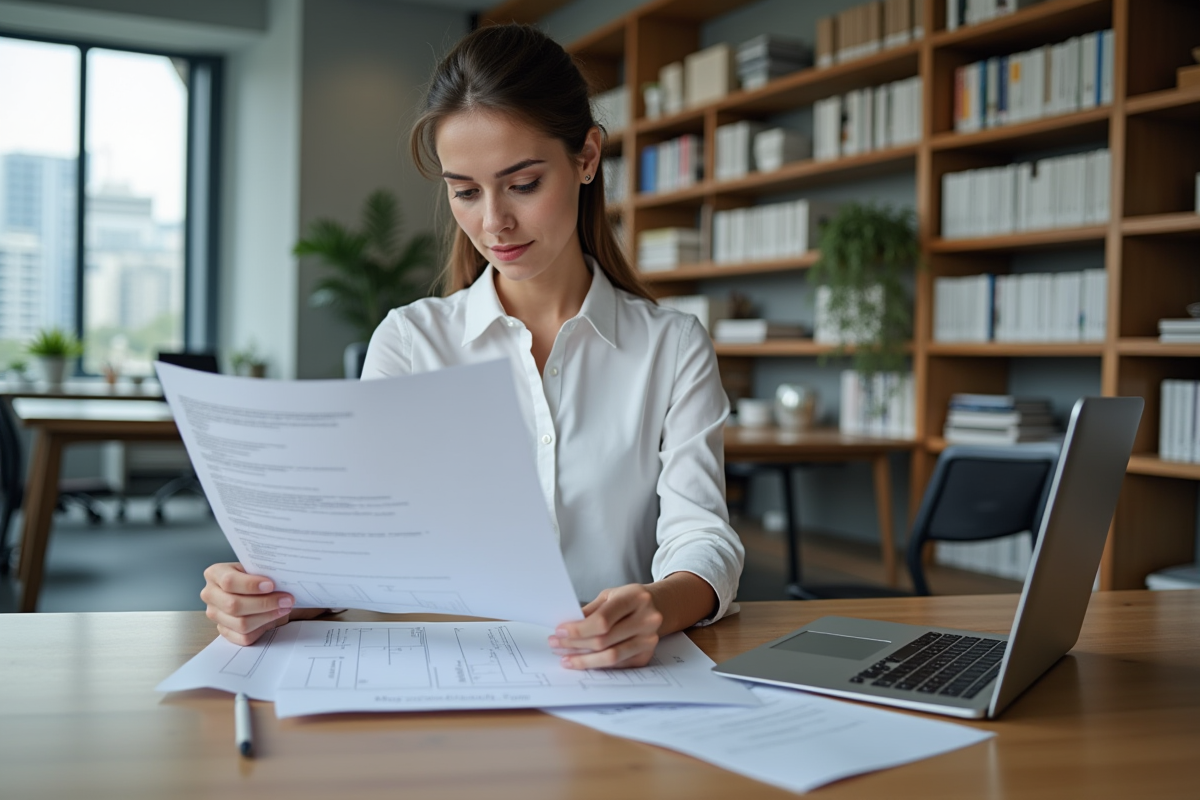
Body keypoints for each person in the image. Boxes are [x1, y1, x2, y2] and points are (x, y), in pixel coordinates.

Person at [201, 24, 743, 670]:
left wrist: (657, 607)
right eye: (465, 191)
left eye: (522, 184)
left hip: (607, 684)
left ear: (587, 157)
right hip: (435, 685)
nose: (494, 222)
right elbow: (361, 548)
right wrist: (272, 596)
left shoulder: (671, 348)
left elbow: (701, 536)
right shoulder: (408, 343)